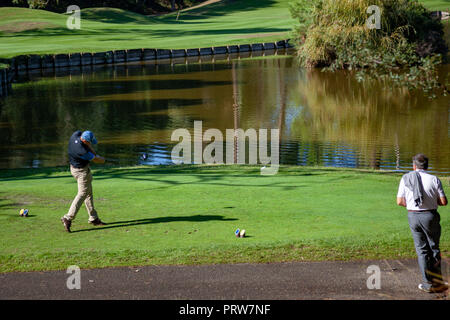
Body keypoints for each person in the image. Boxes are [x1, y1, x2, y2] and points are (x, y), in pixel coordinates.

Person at [396, 154, 448, 293]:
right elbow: (443, 202)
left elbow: (400, 201)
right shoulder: (434, 179)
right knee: (434, 248)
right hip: (430, 216)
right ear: (427, 166)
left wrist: (413, 204)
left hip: (413, 215)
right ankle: (438, 282)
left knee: (422, 250)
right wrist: (431, 201)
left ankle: (427, 283)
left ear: (414, 166)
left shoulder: (405, 178)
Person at [61, 130, 106, 233]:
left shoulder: (75, 135)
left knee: (88, 193)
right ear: (85, 141)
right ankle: (68, 218)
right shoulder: (82, 151)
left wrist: (95, 154)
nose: (91, 144)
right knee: (82, 193)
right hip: (81, 172)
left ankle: (93, 218)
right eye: (90, 142)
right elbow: (96, 160)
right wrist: (102, 159)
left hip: (76, 168)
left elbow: (90, 149)